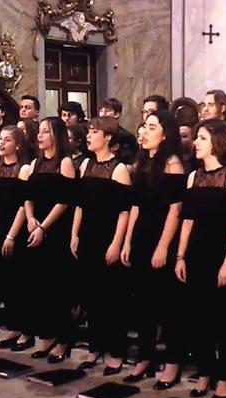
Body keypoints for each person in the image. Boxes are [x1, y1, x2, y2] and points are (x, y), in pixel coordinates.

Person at [176, 119, 226, 398]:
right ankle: (204, 373)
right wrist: (180, 255)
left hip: (221, 255)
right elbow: (187, 220)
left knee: (223, 321)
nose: (195, 143)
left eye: (201, 138)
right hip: (196, 254)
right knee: (198, 318)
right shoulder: (194, 177)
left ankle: (225, 377)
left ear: (216, 142)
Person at [120, 109, 187, 385]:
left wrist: (162, 247)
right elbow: (135, 205)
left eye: (150, 126)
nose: (143, 132)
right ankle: (145, 357)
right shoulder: (142, 161)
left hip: (163, 239)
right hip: (141, 236)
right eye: (143, 126)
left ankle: (172, 363)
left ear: (165, 133)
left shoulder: (172, 164)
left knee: (166, 305)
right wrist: (127, 241)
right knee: (142, 303)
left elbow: (175, 211)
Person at [71, 116, 133, 370]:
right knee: (92, 295)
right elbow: (80, 204)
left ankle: (116, 351)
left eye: (94, 132)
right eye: (88, 131)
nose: (88, 136)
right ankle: (96, 347)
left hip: (107, 236)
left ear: (108, 137)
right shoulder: (86, 164)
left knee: (112, 298)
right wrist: (74, 234)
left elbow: (125, 211)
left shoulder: (118, 169)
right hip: (86, 235)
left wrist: (116, 244)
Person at [19, 117, 77, 356]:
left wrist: (43, 227)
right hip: (35, 227)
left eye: (45, 131)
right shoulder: (35, 163)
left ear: (56, 135)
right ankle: (47, 334)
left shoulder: (65, 162)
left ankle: (63, 340)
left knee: (57, 288)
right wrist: (31, 219)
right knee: (38, 287)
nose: (39, 136)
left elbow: (65, 200)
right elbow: (27, 197)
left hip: (56, 230)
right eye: (39, 131)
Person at [0, 126, 32, 346]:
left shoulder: (24, 168)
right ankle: (3, 325)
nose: (1, 143)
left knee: (16, 282)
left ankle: (23, 329)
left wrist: (11, 236)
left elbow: (23, 205)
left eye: (7, 140)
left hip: (15, 229)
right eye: (0, 139)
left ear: (18, 145)